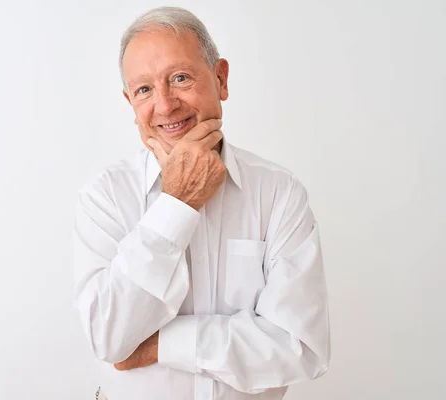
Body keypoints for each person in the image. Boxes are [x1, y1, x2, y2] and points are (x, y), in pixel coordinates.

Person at [73, 6, 330, 400]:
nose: (164, 105)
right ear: (130, 103)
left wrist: (161, 345)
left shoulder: (279, 191)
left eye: (180, 78)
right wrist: (177, 203)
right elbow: (107, 338)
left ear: (221, 79)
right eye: (143, 89)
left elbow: (300, 349)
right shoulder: (103, 197)